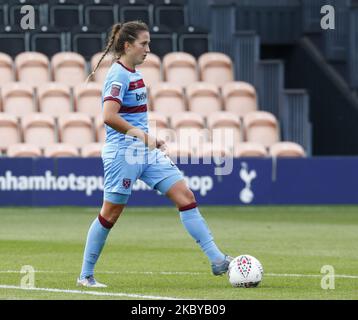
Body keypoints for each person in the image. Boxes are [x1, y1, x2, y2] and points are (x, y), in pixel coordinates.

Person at [77, 21, 232, 288]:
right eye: (144, 43)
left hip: (145, 153)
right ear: (127, 45)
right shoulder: (118, 76)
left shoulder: (134, 73)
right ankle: (86, 276)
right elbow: (109, 117)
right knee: (110, 215)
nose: (148, 49)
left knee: (185, 196)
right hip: (123, 154)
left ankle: (217, 259)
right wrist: (144, 136)